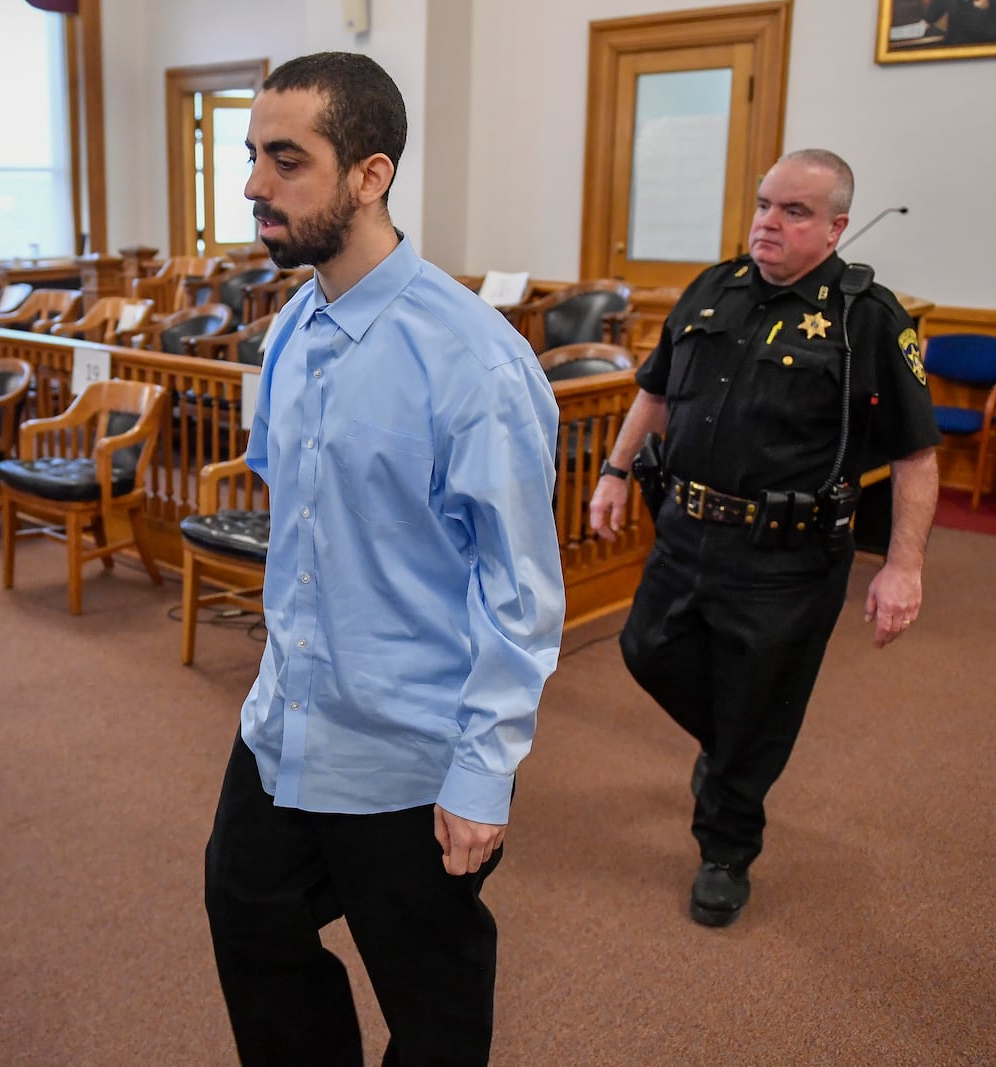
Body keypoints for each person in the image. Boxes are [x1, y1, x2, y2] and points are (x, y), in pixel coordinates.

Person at [205, 52, 565, 1066]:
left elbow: (521, 592)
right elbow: (298, 515)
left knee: (432, 994)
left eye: (286, 161)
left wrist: (482, 773)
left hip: (410, 749)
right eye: (251, 157)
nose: (253, 188)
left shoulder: (473, 361)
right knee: (249, 918)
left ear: (369, 175)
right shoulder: (290, 328)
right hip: (287, 719)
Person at [588, 149, 940, 928]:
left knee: (758, 699)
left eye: (794, 212)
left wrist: (904, 566)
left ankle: (725, 848)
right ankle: (734, 749)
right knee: (647, 650)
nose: (768, 223)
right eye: (763, 204)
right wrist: (614, 471)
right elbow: (654, 391)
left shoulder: (868, 317)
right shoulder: (714, 287)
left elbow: (917, 455)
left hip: (789, 557)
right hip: (685, 527)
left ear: (836, 227)